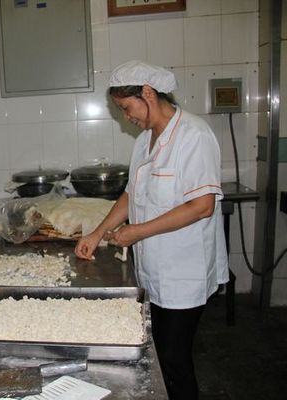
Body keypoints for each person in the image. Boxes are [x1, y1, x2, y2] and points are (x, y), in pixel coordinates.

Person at [74, 60, 228, 400]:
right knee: (160, 354)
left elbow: (202, 206)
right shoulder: (145, 141)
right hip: (153, 271)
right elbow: (131, 194)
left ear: (148, 93)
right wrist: (97, 233)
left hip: (184, 272)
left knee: (174, 360)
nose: (126, 117)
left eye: (126, 108)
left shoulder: (194, 135)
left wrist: (139, 231)